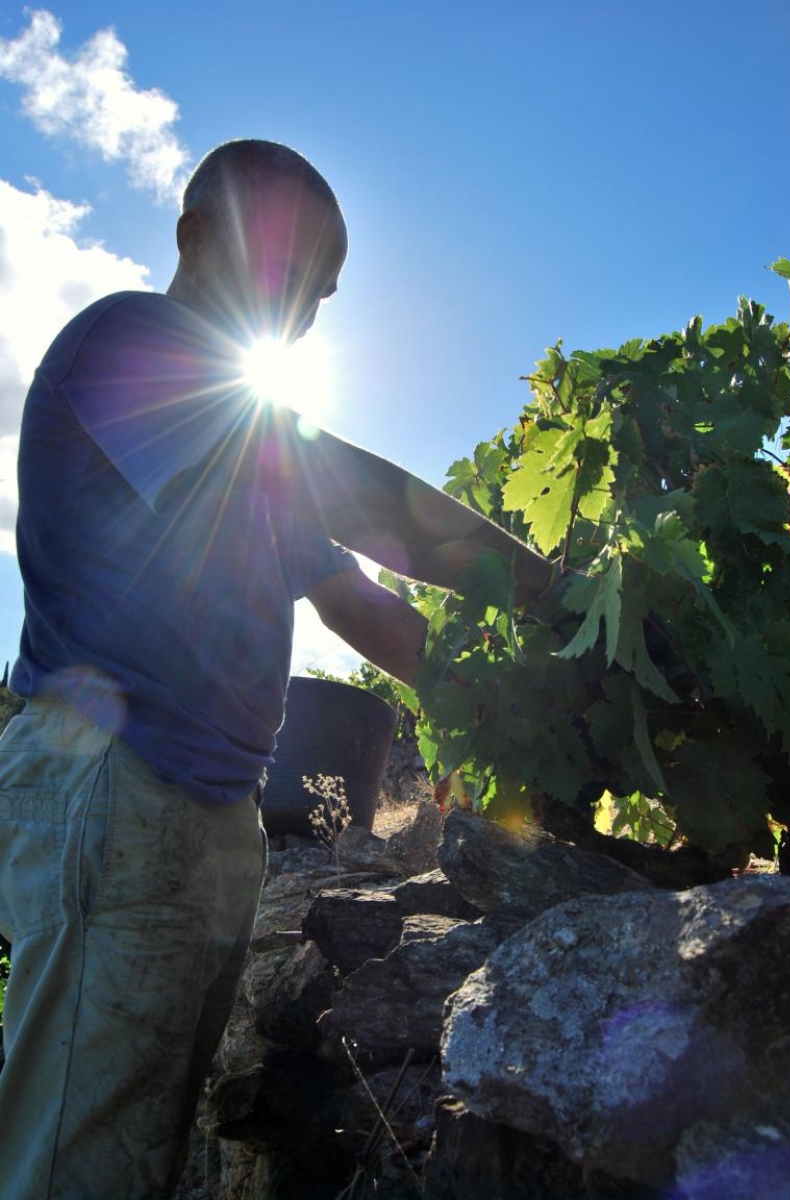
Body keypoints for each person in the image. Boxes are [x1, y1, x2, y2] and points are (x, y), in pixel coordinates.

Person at [0, 140, 553, 1199]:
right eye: (280, 272)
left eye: (319, 292)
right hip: (114, 788)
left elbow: (358, 609)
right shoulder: (129, 342)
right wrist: (544, 593)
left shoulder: (239, 463)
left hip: (205, 810)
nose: (296, 311)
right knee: (79, 1157)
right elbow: (348, 488)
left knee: (138, 1145)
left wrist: (526, 701)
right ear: (193, 236)